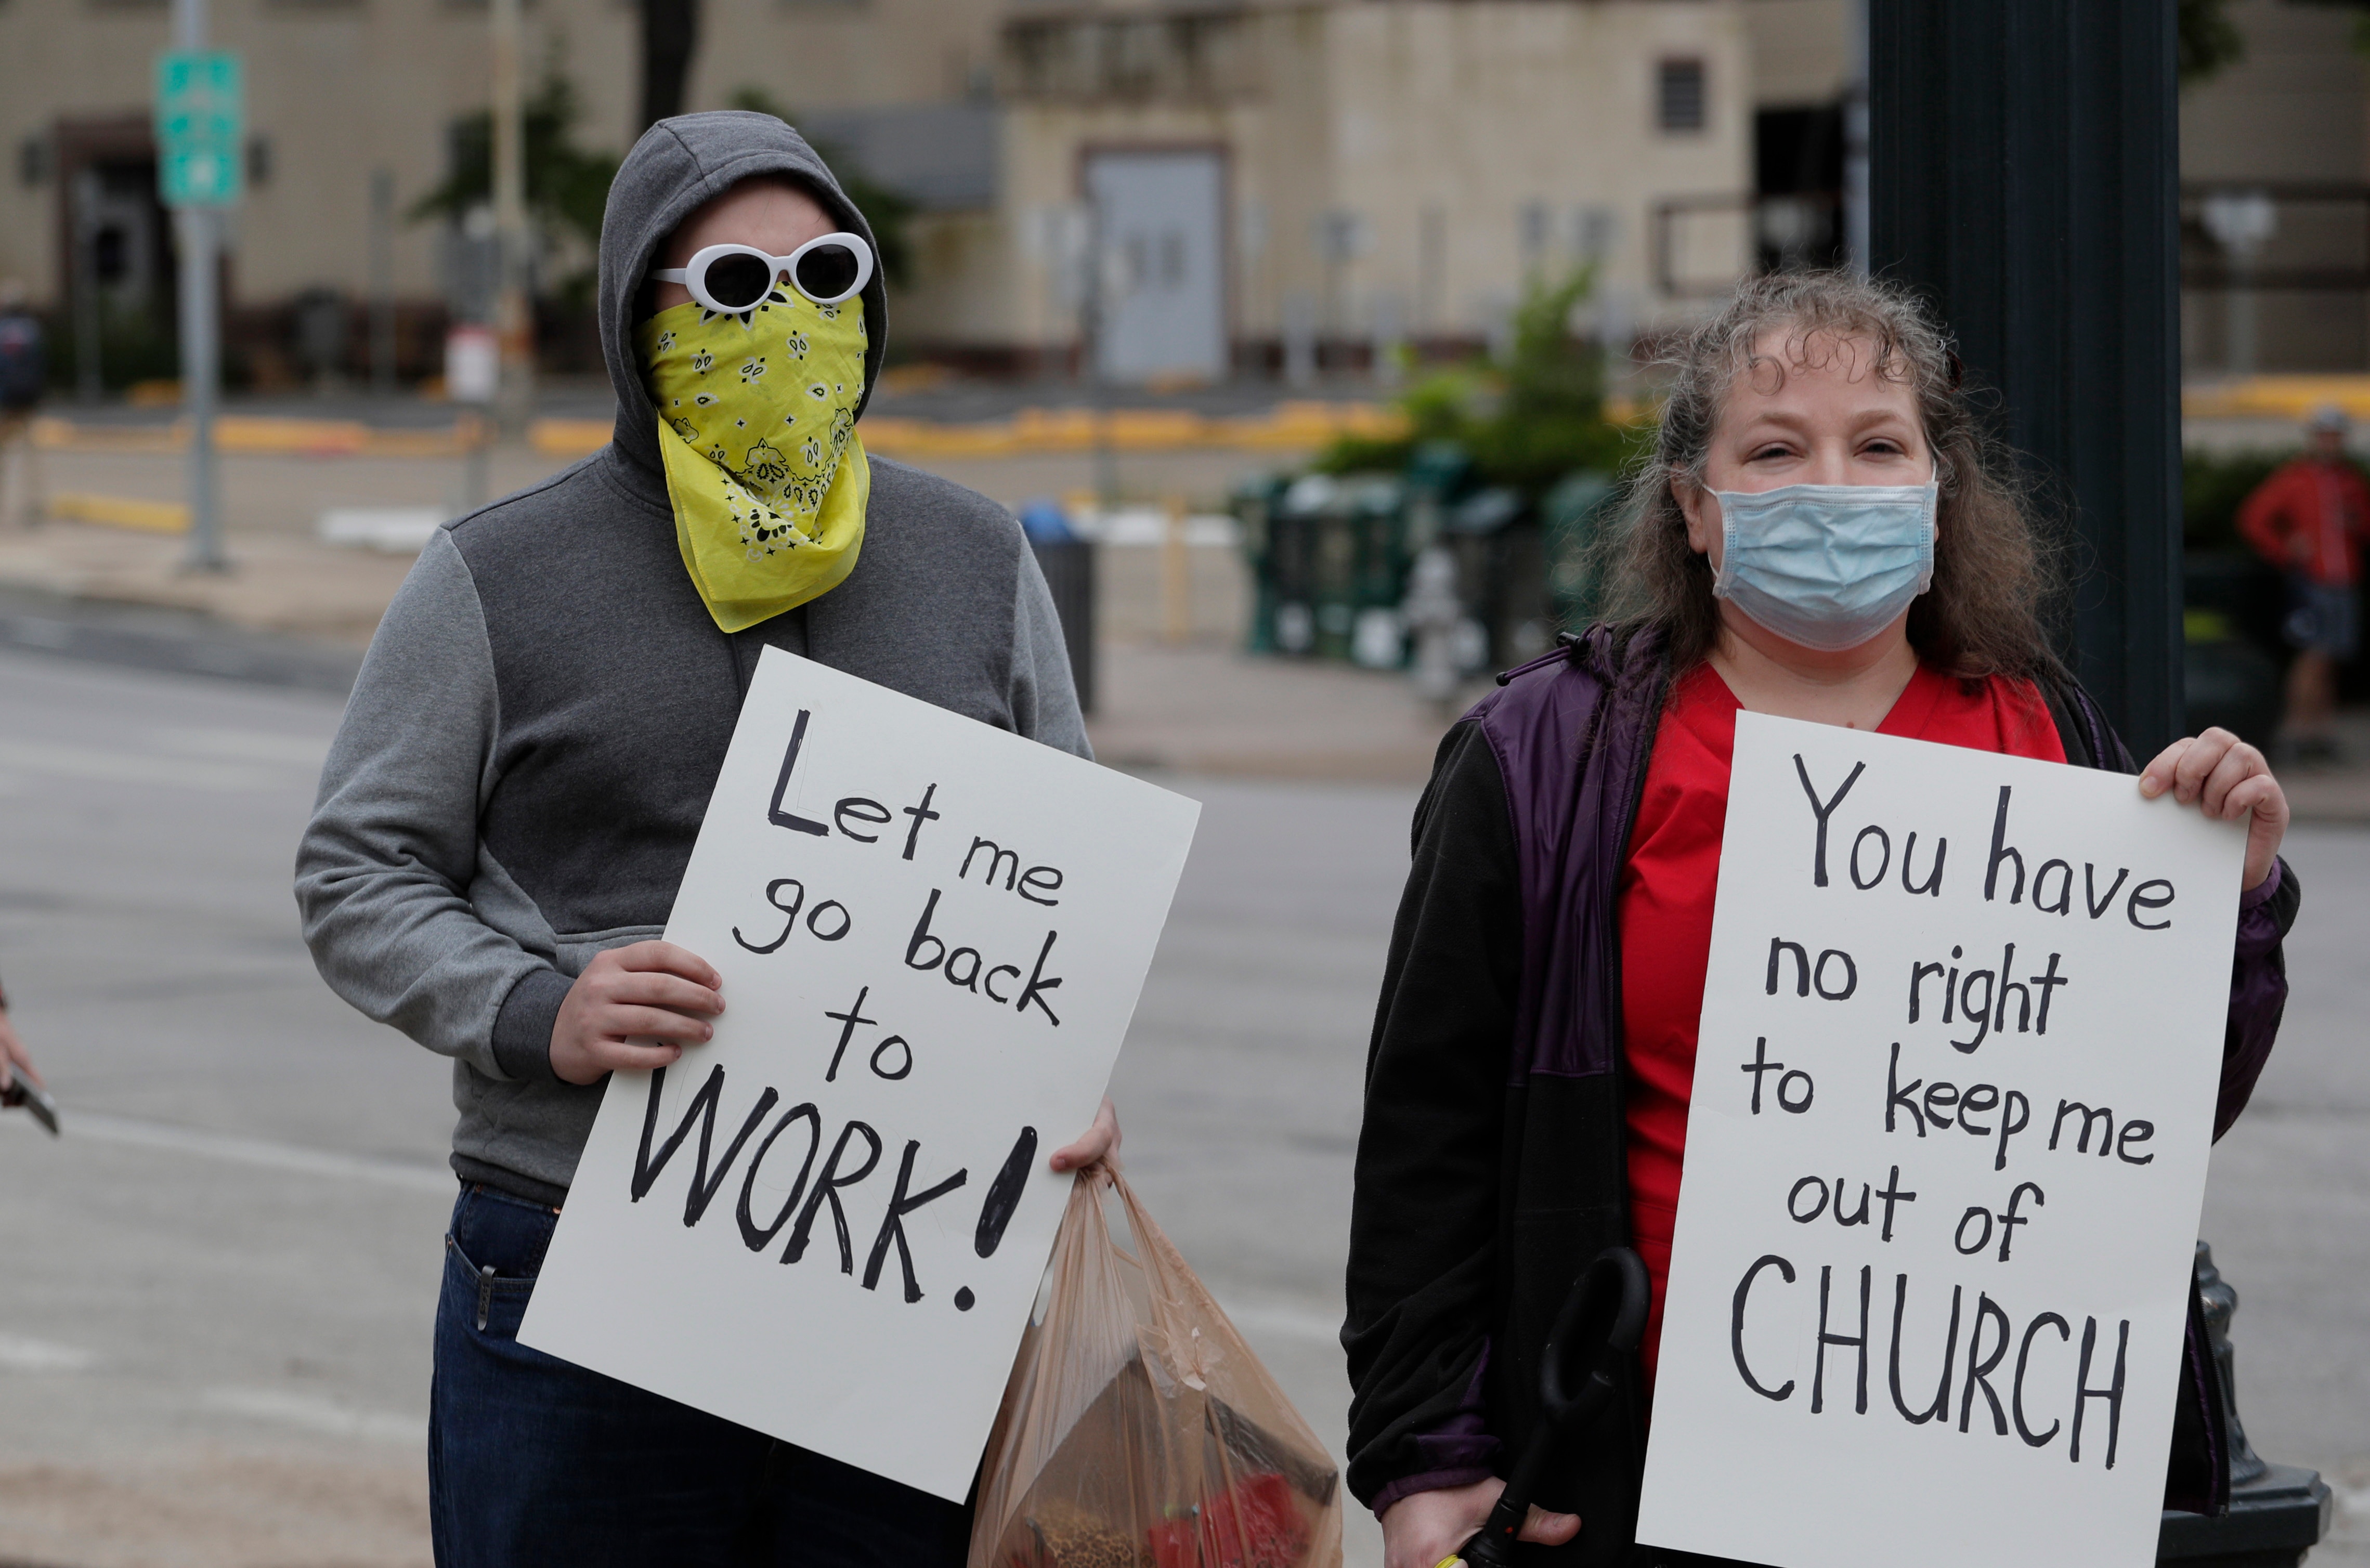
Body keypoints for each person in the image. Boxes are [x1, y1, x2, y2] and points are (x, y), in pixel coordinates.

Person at [1343, 271, 2301, 1568]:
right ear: (1693, 506)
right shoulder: (1542, 754)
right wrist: (1427, 1456)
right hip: (1643, 1485)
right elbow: (1427, 1139)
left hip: (1983, 1475)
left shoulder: (2051, 735)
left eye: (1879, 445)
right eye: (1776, 450)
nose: (1835, 487)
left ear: (1938, 493)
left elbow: (2146, 1118)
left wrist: (2230, 904)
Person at [296, 112, 1108, 1566]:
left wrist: (1065, 1076)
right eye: (735, 286)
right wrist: (536, 1009)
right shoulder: (497, 574)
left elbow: (1064, 883)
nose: (789, 320)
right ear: (637, 318)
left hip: (893, 1283)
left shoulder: (976, 558)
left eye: (826, 276)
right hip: (574, 1266)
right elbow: (356, 869)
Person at [2237, 403, 2368, 762]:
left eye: (2336, 436)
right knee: (2313, 656)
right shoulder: (2296, 478)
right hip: (2313, 581)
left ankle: (2319, 732)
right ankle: (2297, 731)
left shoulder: (2349, 481)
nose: (2330, 442)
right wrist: (2286, 549)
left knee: (2331, 658)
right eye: (2325, 435)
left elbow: (2363, 526)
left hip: (2344, 580)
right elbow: (2254, 519)